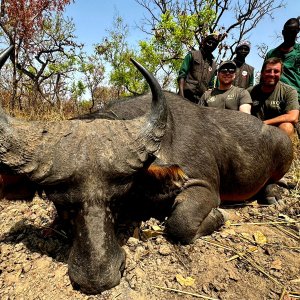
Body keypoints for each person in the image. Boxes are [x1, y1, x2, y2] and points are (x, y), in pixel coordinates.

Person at [248, 57, 299, 137]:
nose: (272, 74)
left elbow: (293, 117)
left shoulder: (289, 91)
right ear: (262, 73)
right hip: (255, 130)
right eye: (268, 71)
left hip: (277, 131)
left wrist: (264, 123)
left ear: (281, 74)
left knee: (287, 126)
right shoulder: (250, 91)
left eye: (276, 71)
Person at [178, 32, 221, 103]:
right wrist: (181, 95)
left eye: (214, 44)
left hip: (200, 101)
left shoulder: (214, 65)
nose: (211, 45)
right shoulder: (192, 55)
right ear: (203, 42)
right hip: (186, 96)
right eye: (209, 42)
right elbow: (182, 75)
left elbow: (211, 86)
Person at [265, 17, 300, 103]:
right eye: (288, 32)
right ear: (283, 32)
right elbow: (264, 76)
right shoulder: (271, 53)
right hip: (273, 98)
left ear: (297, 33)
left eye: (293, 32)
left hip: (296, 98)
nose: (290, 35)